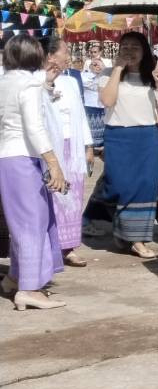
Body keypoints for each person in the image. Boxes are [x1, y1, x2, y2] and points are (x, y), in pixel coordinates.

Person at [0, 35, 69, 309]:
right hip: (23, 158)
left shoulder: (5, 81)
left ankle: (15, 278)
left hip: (7, 158)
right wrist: (53, 162)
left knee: (21, 222)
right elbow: (34, 127)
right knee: (32, 223)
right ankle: (29, 288)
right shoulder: (28, 84)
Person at [97, 31, 158, 259]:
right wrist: (117, 69)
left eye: (135, 47)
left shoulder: (151, 77)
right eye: (124, 46)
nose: (129, 51)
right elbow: (107, 101)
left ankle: (137, 238)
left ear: (144, 51)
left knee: (146, 187)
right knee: (122, 186)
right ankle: (123, 231)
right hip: (118, 136)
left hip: (147, 138)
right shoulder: (109, 73)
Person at [43, 36, 93, 268]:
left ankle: (69, 246)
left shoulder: (72, 80)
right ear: (51, 56)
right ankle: (51, 246)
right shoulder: (37, 80)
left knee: (72, 195)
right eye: (65, 51)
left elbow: (80, 116)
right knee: (52, 196)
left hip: (72, 146)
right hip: (50, 148)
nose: (68, 55)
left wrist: (88, 146)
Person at [79, 40, 108, 152]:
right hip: (90, 104)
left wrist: (103, 70)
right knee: (90, 127)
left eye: (95, 51)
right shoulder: (87, 66)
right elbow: (85, 80)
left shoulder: (107, 63)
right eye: (91, 51)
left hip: (102, 104)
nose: (93, 53)